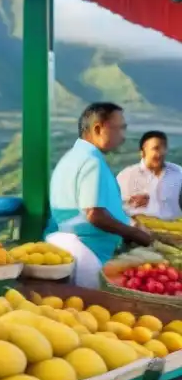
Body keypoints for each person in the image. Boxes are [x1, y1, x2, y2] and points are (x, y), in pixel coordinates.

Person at [47, 102, 153, 288]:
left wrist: (125, 206)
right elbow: (94, 214)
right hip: (86, 253)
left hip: (66, 245)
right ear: (98, 128)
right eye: (120, 128)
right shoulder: (91, 163)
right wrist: (135, 233)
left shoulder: (72, 158)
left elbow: (76, 207)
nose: (123, 137)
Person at [117, 130, 182, 221]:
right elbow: (114, 206)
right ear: (142, 152)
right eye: (156, 148)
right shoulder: (126, 176)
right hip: (138, 228)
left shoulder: (178, 173)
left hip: (173, 228)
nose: (161, 153)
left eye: (164, 148)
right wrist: (130, 202)